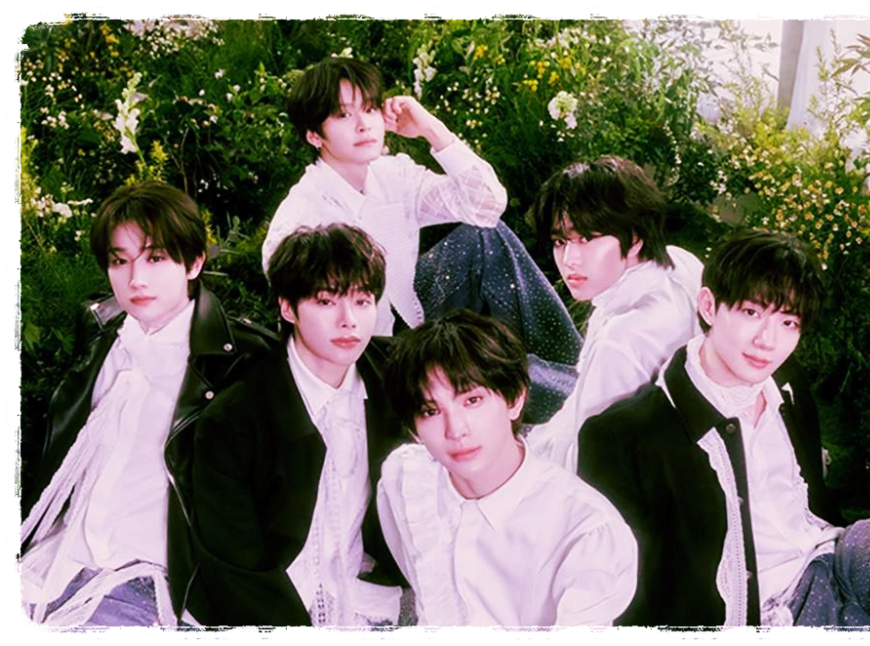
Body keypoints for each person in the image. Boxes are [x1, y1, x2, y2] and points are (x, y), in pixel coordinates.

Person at [578, 229, 870, 627]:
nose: (767, 341)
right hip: (765, 611)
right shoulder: (622, 435)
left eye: (788, 322)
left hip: (828, 558)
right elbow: (617, 596)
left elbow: (815, 498)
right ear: (709, 306)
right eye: (751, 313)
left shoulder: (786, 382)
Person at [262, 56, 581, 422]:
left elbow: (486, 205)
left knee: (484, 235)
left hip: (411, 315)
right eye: (344, 115)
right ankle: (560, 390)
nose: (363, 125)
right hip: (370, 354)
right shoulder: (301, 217)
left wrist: (432, 129)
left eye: (369, 109)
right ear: (314, 135)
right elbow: (308, 327)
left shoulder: (392, 175)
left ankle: (574, 362)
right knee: (486, 366)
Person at [19, 182, 274, 626]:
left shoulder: (239, 361)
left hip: (151, 583)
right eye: (120, 261)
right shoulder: (102, 337)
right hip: (56, 563)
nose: (135, 279)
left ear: (194, 262)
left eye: (155, 258)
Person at [187, 224, 405, 626]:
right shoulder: (235, 418)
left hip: (364, 595)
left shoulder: (396, 377)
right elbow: (234, 564)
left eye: (362, 301)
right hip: (266, 603)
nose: (349, 321)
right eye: (326, 301)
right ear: (288, 308)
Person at [376, 310, 637, 626]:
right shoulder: (407, 479)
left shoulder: (585, 531)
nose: (455, 430)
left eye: (472, 400)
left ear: (514, 400)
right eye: (431, 411)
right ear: (414, 430)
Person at [526, 156, 704, 471]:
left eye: (587, 238)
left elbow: (585, 460)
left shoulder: (619, 341)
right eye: (560, 241)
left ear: (634, 238)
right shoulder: (680, 263)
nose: (569, 259)